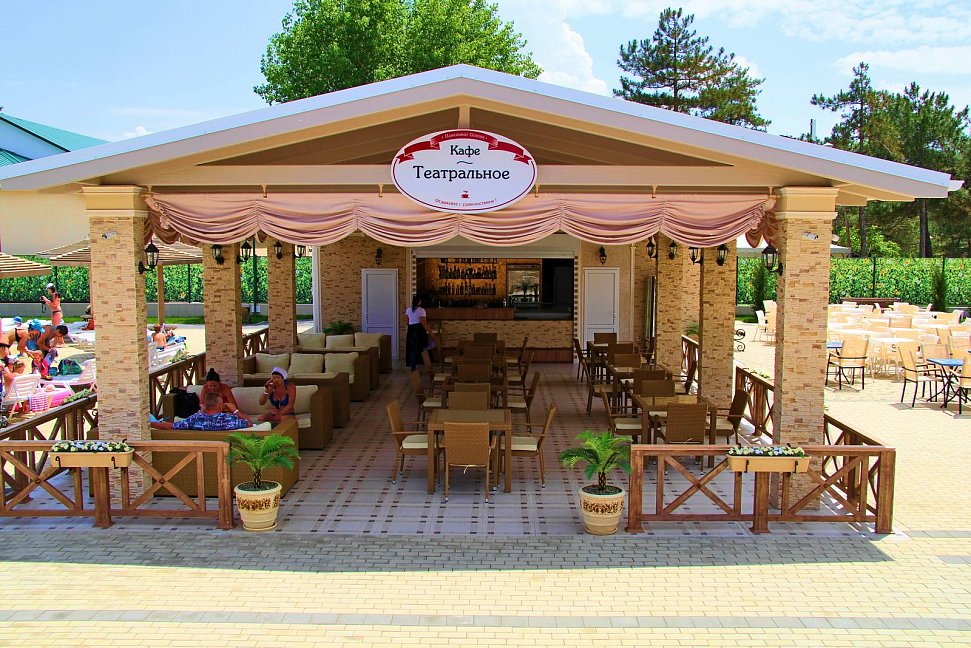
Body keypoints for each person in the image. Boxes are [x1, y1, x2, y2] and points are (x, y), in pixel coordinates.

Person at [151, 391, 252, 431]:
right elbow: (249, 423)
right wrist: (235, 410)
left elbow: (170, 426)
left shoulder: (195, 418)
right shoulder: (227, 419)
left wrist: (149, 424)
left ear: (205, 405)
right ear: (220, 405)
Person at [404, 295, 433, 371]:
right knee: (423, 347)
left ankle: (413, 368)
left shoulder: (408, 310)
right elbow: (423, 323)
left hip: (411, 330)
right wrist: (430, 332)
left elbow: (407, 322)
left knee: (412, 349)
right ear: (419, 301)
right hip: (419, 330)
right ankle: (427, 366)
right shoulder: (421, 310)